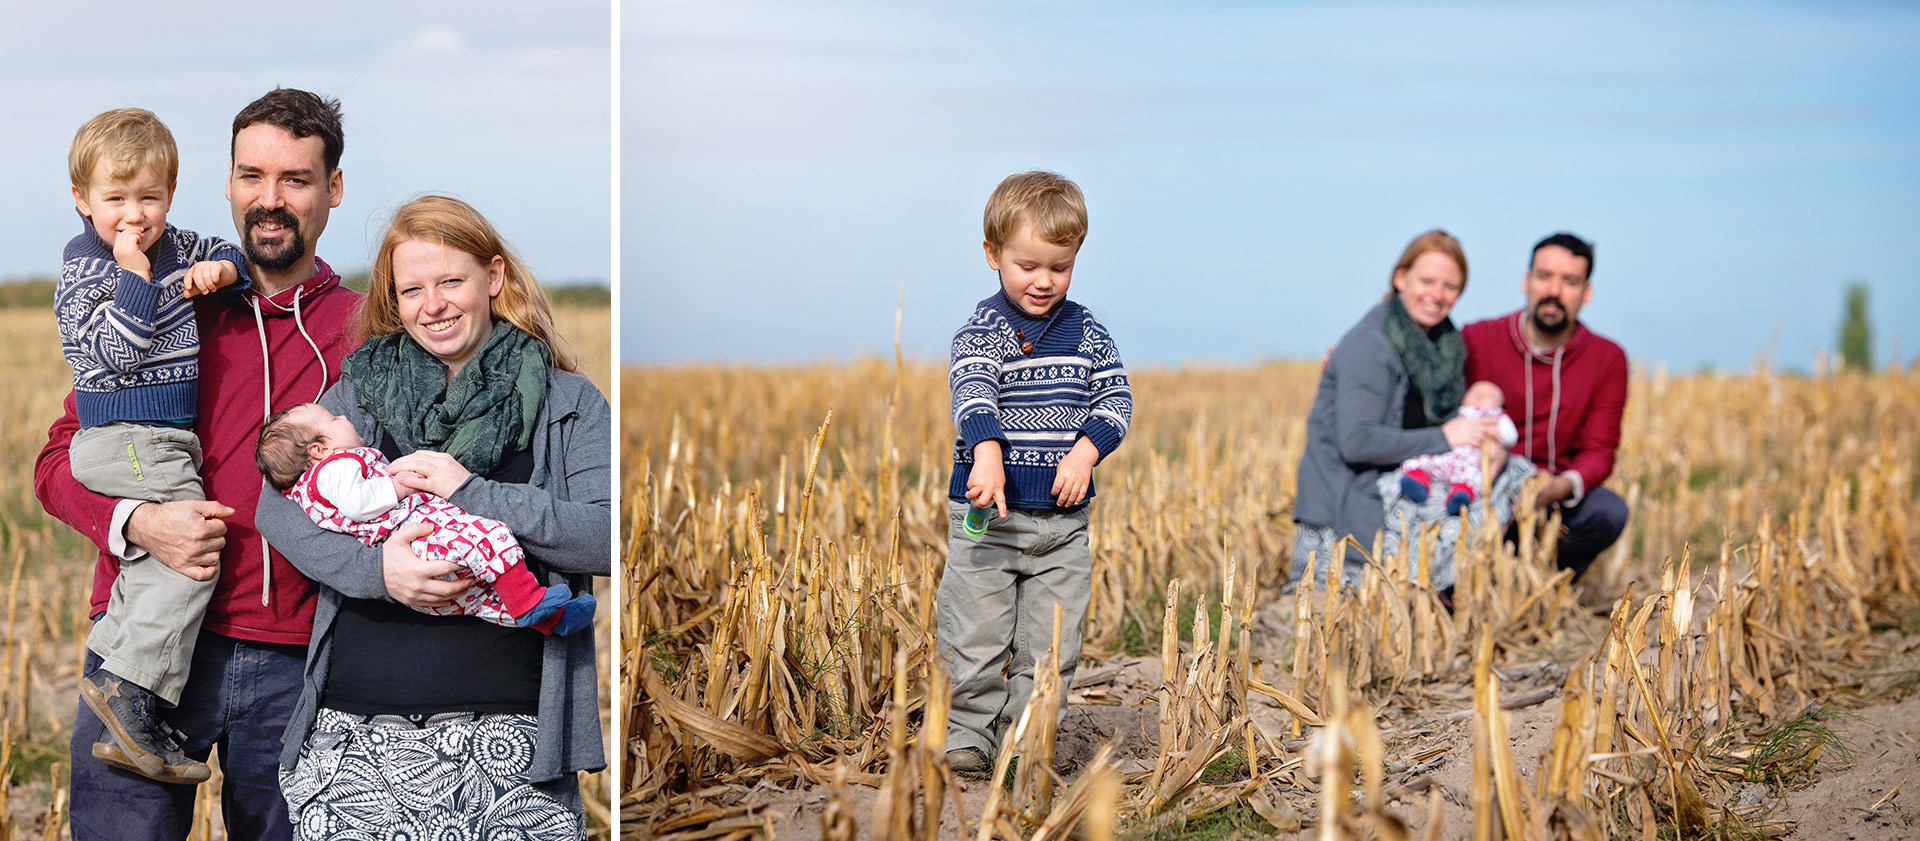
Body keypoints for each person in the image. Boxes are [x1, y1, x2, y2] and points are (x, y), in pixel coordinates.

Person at [34, 87, 357, 840]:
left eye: (296, 180)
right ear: (227, 183)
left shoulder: (362, 328)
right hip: (141, 654)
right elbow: (57, 462)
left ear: (333, 189)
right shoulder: (159, 302)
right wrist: (139, 521)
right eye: (252, 176)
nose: (269, 200)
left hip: (300, 666)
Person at [254, 194, 608, 838]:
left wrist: (473, 491)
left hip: (514, 746)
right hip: (357, 739)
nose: (433, 305)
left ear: (493, 278)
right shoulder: (362, 395)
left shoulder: (568, 401)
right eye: (412, 289)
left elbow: (607, 539)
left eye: (451, 281)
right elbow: (275, 511)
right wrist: (378, 571)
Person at [56, 107, 254, 785]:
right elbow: (115, 351)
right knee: (192, 551)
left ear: (170, 194)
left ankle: (121, 681)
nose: (134, 216)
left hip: (153, 439)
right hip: (128, 437)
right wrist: (135, 274)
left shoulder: (179, 244)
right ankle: (130, 686)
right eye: (116, 200)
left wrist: (222, 274)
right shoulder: (86, 272)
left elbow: (231, 257)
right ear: (83, 200)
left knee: (163, 565)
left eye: (150, 198)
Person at [937, 171, 1132, 777]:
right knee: (975, 633)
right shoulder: (985, 329)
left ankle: (1027, 739)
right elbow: (971, 389)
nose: (1044, 281)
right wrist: (986, 451)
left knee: (1052, 644)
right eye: (1028, 265)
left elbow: (1115, 400)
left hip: (1063, 527)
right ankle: (967, 736)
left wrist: (1085, 452)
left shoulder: (1088, 332)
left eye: (1060, 266)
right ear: (993, 256)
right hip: (987, 520)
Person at [255, 402, 597, 635]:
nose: (344, 418)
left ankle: (548, 619)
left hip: (423, 563)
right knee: (489, 536)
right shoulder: (337, 466)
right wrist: (398, 485)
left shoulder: (306, 489)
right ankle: (528, 601)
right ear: (319, 450)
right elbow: (359, 503)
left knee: (478, 598)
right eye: (333, 419)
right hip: (420, 538)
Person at [1289, 230, 1501, 590]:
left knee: (1509, 475)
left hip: (1400, 478)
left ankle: (1445, 594)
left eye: (1450, 286)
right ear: (1400, 277)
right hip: (1351, 502)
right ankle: (1428, 592)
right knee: (1484, 505)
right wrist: (1446, 437)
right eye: (1427, 280)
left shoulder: (1443, 347)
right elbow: (1357, 442)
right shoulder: (1370, 345)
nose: (1437, 294)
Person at [1462, 233, 1629, 579]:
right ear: (1526, 281)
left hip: (1556, 497)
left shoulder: (1606, 358)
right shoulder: (1477, 339)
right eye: (1544, 276)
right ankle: (1482, 579)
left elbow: (1600, 450)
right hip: (1484, 492)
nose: (1554, 291)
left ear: (1587, 292)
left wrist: (1561, 486)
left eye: (1570, 281)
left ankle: (1548, 586)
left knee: (1608, 512)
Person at [1397, 381, 1519, 515]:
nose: (1481, 394)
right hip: (1448, 453)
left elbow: (1511, 436)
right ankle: (1417, 479)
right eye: (1475, 391)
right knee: (1425, 459)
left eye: (1490, 394)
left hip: (1471, 460)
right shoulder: (1461, 413)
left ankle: (1460, 497)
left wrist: (1500, 435)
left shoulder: (1496, 417)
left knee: (1471, 479)